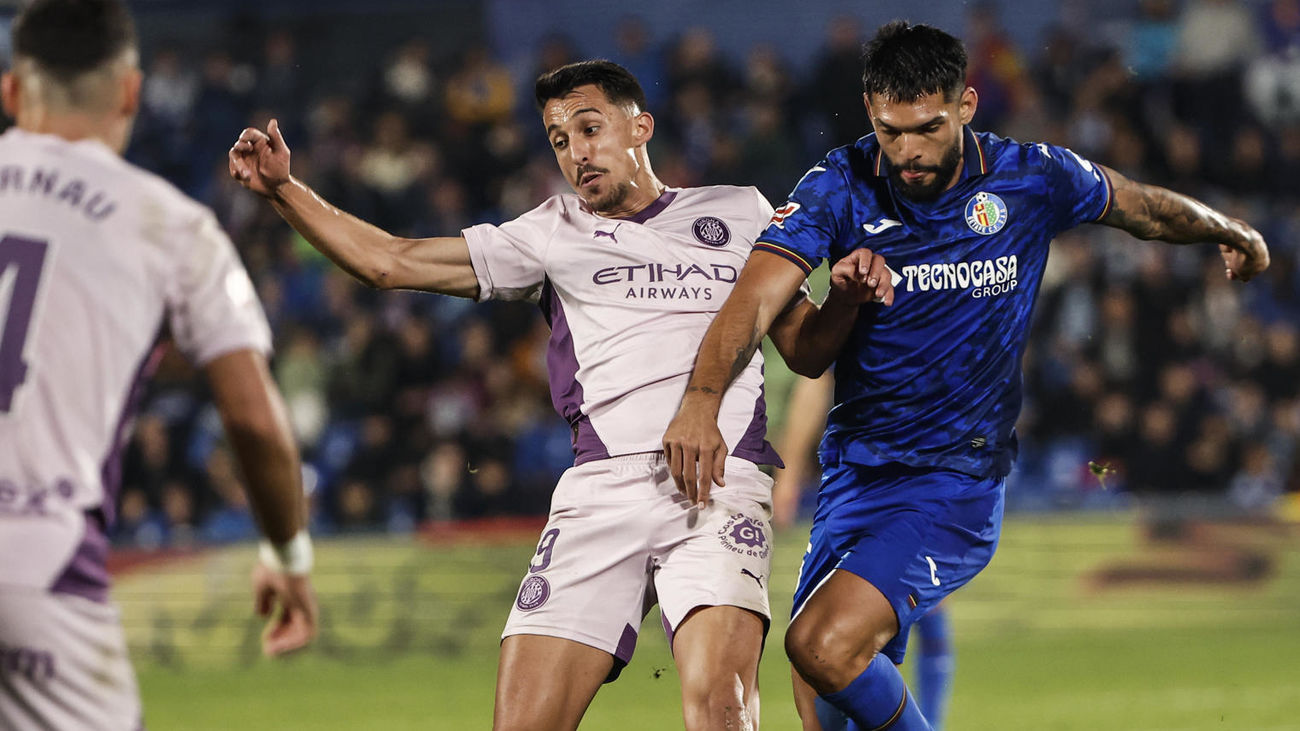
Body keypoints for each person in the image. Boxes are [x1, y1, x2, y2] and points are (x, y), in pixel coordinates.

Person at [229, 59, 894, 730]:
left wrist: (843, 300)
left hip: (716, 487)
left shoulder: (739, 211)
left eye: (589, 128)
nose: (576, 152)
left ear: (641, 126)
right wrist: (286, 191)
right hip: (600, 494)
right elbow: (389, 261)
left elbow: (808, 351)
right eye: (558, 139)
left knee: (722, 714)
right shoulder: (549, 234)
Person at [662, 21, 1269, 731]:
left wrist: (1230, 228)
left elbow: (1140, 207)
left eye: (927, 127)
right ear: (870, 112)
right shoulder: (839, 184)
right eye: (892, 130)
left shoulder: (1031, 176)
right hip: (854, 476)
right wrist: (701, 399)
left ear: (967, 104)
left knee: (820, 643)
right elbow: (757, 296)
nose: (908, 150)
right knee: (824, 702)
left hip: (954, 479)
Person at [0, 2, 318, 728]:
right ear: (132, 92)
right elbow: (253, 419)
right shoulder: (170, 225)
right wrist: (287, 553)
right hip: (38, 558)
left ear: (13, 91)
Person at [772, 374, 956, 731]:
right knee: (814, 644)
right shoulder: (855, 327)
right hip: (850, 478)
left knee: (843, 639)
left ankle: (929, 722)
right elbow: (816, 376)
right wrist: (791, 473)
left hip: (918, 476)